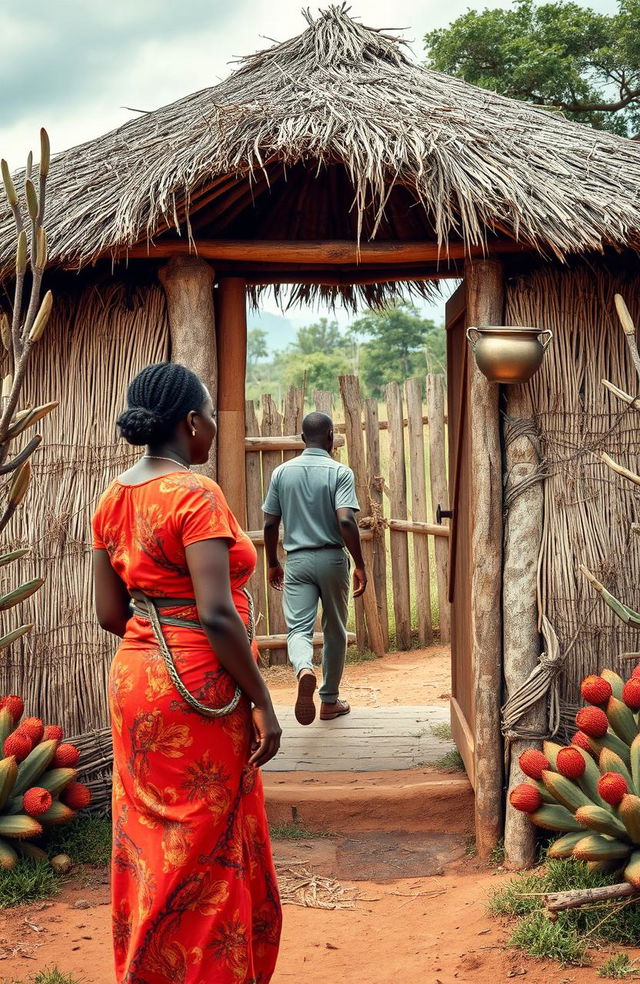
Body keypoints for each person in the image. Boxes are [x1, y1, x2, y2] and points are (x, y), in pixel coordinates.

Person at [92, 362, 282, 984]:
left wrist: (157, 640)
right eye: (209, 422)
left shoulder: (112, 497)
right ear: (192, 423)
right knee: (207, 840)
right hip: (199, 684)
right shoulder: (195, 494)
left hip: (136, 684)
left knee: (150, 838)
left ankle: (149, 969)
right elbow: (218, 615)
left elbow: (108, 612)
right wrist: (263, 703)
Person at [262, 411, 367, 726]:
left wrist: (271, 563)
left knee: (298, 628)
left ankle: (304, 668)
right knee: (335, 628)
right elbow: (346, 520)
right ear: (331, 437)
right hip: (333, 558)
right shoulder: (339, 472)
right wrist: (359, 564)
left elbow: (269, 523)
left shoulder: (282, 473)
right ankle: (329, 701)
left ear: (302, 438)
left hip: (297, 561)